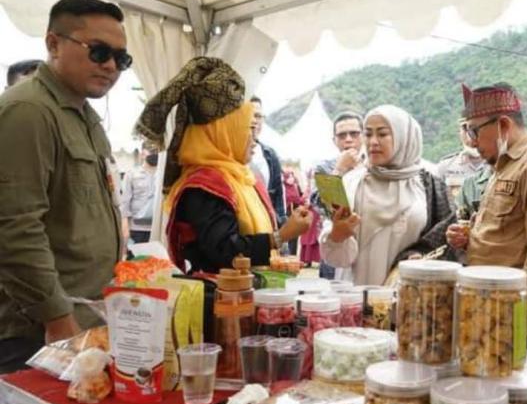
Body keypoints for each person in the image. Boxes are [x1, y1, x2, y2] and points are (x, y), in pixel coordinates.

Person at [0, 0, 130, 373]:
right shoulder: (28, 112)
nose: (110, 66)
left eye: (121, 59)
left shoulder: (84, 116)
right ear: (53, 44)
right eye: (99, 51)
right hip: (37, 331)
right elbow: (14, 227)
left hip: (82, 319)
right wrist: (57, 318)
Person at [135, 57, 312, 274]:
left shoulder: (240, 176)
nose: (253, 138)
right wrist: (281, 236)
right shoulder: (203, 185)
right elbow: (224, 251)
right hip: (221, 300)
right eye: (246, 129)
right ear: (224, 133)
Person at [446, 83, 527, 359]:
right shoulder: (503, 164)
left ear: (503, 124)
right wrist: (470, 238)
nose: (471, 141)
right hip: (486, 305)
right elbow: (507, 234)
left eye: (475, 130)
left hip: (514, 317)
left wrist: (514, 316)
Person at [320, 105, 451, 285]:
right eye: (368, 134)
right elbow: (336, 259)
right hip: (358, 294)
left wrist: (420, 257)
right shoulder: (351, 182)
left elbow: (443, 240)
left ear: (404, 137)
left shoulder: (428, 185)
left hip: (409, 297)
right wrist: (337, 236)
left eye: (382, 134)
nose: (373, 141)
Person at [311, 111, 366, 278]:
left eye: (354, 134)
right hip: (336, 245)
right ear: (334, 140)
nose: (348, 139)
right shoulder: (325, 168)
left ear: (363, 136)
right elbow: (322, 206)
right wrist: (339, 170)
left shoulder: (373, 166)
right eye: (342, 135)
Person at [249, 96, 287, 228]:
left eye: (258, 116)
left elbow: (278, 196)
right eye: (250, 115)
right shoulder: (230, 154)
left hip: (269, 226)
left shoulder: (270, 155)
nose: (254, 121)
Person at [436, 119, 484, 203]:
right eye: (465, 128)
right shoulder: (446, 167)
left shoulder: (499, 165)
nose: (470, 135)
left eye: (474, 128)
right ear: (460, 132)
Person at [121, 141, 159, 244]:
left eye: (156, 151)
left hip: (158, 228)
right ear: (142, 154)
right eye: (150, 151)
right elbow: (124, 202)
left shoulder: (163, 174)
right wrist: (125, 227)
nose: (154, 154)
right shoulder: (131, 174)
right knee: (137, 258)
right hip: (137, 228)